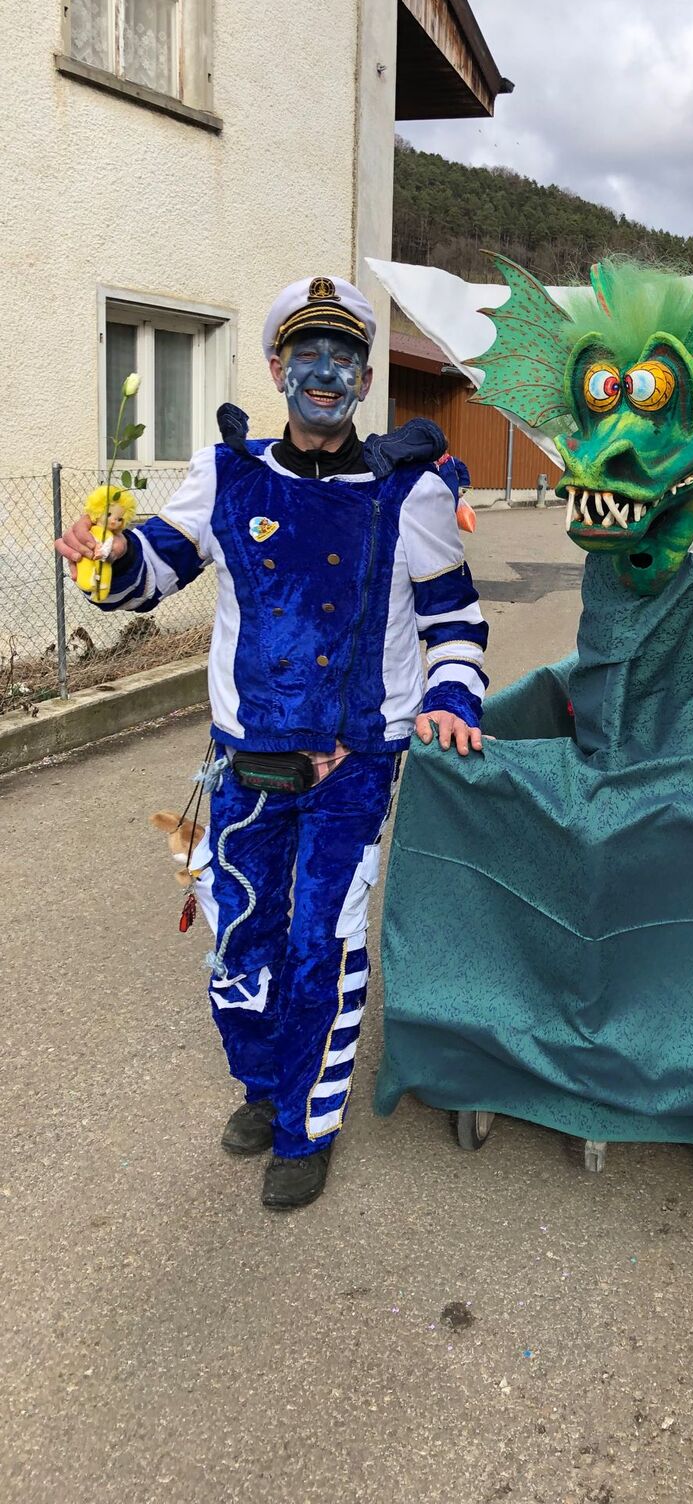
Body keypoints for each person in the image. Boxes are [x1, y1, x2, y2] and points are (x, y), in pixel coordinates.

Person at [55, 275, 488, 1210]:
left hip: (354, 771)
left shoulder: (411, 491)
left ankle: (305, 1127)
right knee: (241, 938)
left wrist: (454, 694)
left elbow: (456, 623)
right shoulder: (228, 474)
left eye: (343, 357)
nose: (324, 373)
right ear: (276, 368)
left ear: (365, 378)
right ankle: (261, 1084)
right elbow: (152, 570)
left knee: (321, 946)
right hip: (246, 766)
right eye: (307, 355)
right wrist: (110, 556)